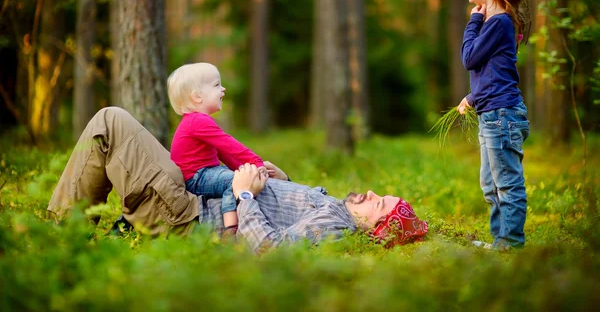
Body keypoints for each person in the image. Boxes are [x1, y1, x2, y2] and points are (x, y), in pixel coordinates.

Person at [47, 107, 428, 252]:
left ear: (376, 228)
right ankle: (74, 234)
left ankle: (60, 239)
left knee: (109, 123)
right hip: (193, 197)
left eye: (379, 203)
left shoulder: (336, 227)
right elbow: (284, 209)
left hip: (185, 215)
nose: (372, 193)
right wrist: (281, 180)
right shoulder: (334, 208)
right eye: (381, 194)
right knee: (113, 127)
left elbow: (269, 249)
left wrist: (244, 195)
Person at [457, 0, 531, 250]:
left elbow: (470, 58)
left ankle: (511, 246)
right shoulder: (497, 23)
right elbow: (494, 73)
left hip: (501, 116)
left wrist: (473, 22)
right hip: (493, 113)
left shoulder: (497, 22)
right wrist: (473, 97)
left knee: (507, 184)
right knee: (490, 185)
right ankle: (501, 241)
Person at [167, 63, 270, 236]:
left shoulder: (197, 121)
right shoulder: (197, 121)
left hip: (204, 173)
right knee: (235, 181)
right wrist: (255, 162)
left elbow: (222, 151)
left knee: (237, 175)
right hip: (195, 178)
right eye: (216, 85)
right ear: (197, 97)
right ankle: (230, 228)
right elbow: (229, 144)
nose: (223, 89)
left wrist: (242, 167)